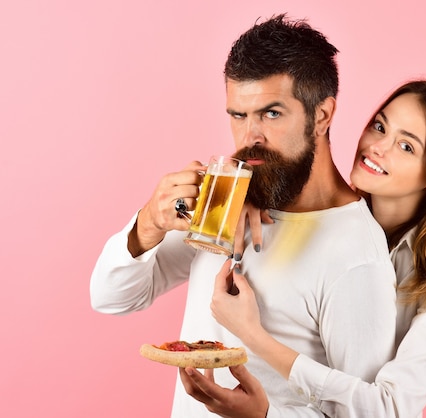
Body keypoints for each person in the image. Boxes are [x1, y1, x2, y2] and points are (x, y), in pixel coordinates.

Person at [90, 14, 398, 418]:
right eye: (238, 115)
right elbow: (112, 298)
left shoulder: (356, 255)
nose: (250, 137)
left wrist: (263, 415)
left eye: (271, 114)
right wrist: (148, 223)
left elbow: (367, 413)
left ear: (322, 116)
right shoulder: (228, 202)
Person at [180, 79, 426, 417]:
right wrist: (252, 193)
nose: (378, 147)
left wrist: (253, 336)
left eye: (406, 146)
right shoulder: (336, 215)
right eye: (380, 126)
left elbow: (389, 408)